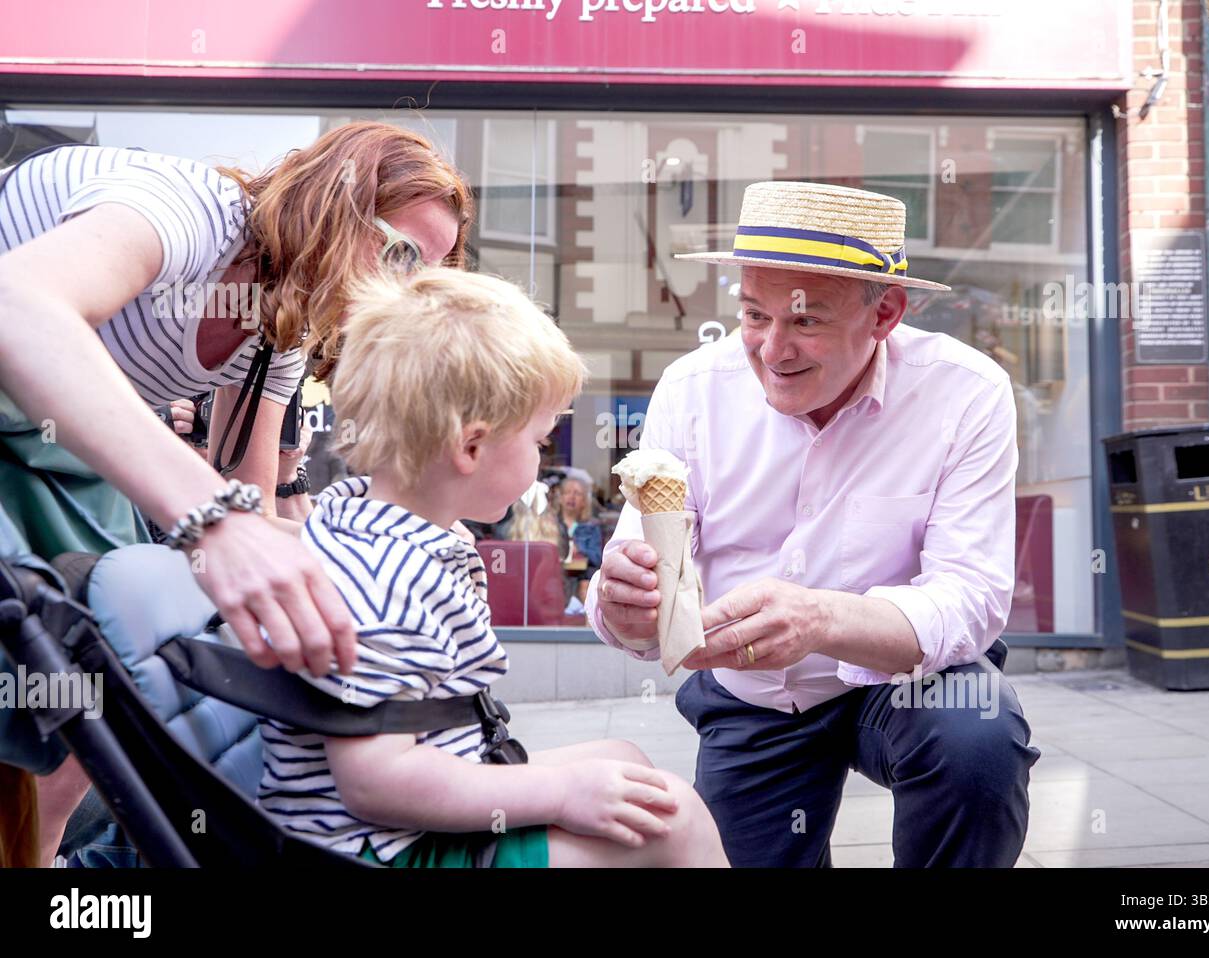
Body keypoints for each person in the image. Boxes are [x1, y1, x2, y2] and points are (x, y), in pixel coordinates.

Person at [0, 120, 472, 861]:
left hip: (53, 451)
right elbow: (14, 304)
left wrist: (388, 554)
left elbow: (251, 507)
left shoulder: (279, 325)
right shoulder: (183, 211)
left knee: (84, 689)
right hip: (29, 419)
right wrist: (213, 521)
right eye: (402, 253)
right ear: (337, 207)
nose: (405, 291)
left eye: (429, 273)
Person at [587, 180, 1042, 867]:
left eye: (806, 322)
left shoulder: (965, 392)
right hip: (751, 697)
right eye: (753, 315)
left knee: (976, 734)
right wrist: (621, 607)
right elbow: (641, 578)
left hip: (899, 682)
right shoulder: (691, 390)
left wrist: (822, 620)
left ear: (886, 313)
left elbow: (974, 598)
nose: (772, 350)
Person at [260, 266, 728, 868]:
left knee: (627, 764)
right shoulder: (387, 583)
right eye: (539, 440)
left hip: (420, 805)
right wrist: (559, 793)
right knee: (675, 821)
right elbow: (375, 782)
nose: (544, 456)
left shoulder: (365, 525)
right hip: (382, 850)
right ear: (471, 447)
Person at [558, 476, 603, 603]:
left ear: (584, 501)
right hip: (557, 573)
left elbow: (597, 558)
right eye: (567, 492)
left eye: (577, 493)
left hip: (581, 575)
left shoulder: (592, 526)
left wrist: (580, 550)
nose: (571, 497)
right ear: (561, 498)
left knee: (587, 585)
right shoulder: (551, 524)